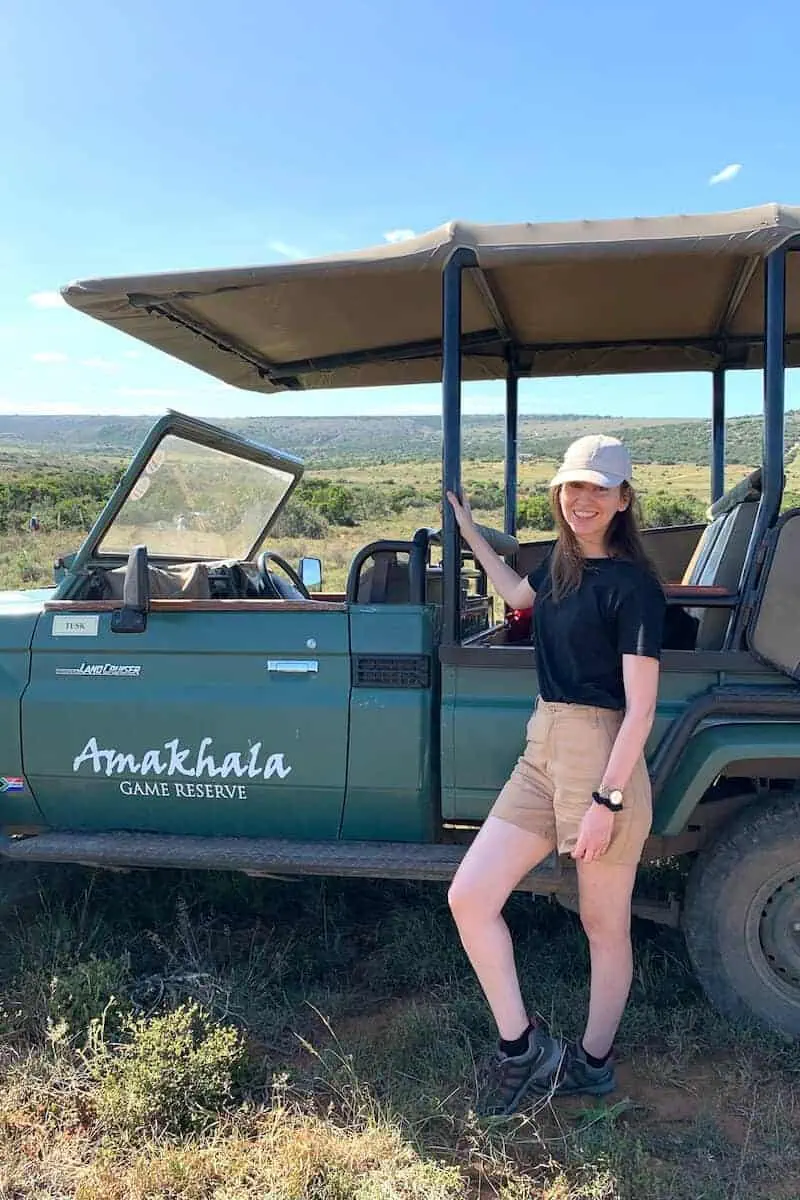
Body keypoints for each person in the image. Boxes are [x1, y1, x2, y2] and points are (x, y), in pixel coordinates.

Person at [446, 434, 665, 1118]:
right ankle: (523, 1047)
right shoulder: (558, 570)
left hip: (603, 756)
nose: (584, 499)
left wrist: (608, 798)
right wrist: (468, 530)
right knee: (470, 896)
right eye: (574, 487)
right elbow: (514, 591)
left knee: (604, 926)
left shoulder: (632, 587)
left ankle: (593, 1066)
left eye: (600, 489)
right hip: (542, 748)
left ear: (624, 500)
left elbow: (641, 709)